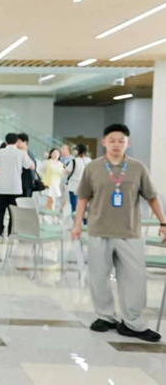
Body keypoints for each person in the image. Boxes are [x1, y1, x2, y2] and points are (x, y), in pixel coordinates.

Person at [72, 124, 166, 343]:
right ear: (104, 142)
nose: (116, 144)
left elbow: (152, 196)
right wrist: (77, 225)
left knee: (135, 278)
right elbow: (83, 198)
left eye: (121, 141)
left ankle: (133, 322)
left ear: (128, 143)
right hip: (98, 230)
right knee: (98, 277)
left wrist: (163, 222)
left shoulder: (137, 168)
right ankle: (105, 317)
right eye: (112, 140)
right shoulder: (93, 168)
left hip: (129, 232)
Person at [0, 133, 35, 237]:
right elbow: (31, 166)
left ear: (6, 142)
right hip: (15, 188)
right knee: (13, 212)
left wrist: (1, 176)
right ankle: (11, 232)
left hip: (1, 187)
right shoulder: (21, 153)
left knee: (0, 211)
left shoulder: (0, 152)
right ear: (16, 141)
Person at [65, 144, 91, 213]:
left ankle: (76, 218)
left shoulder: (74, 160)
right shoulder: (89, 160)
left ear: (79, 151)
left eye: (75, 150)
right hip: (85, 185)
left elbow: (67, 171)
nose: (74, 151)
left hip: (74, 185)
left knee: (74, 204)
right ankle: (84, 218)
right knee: (84, 203)